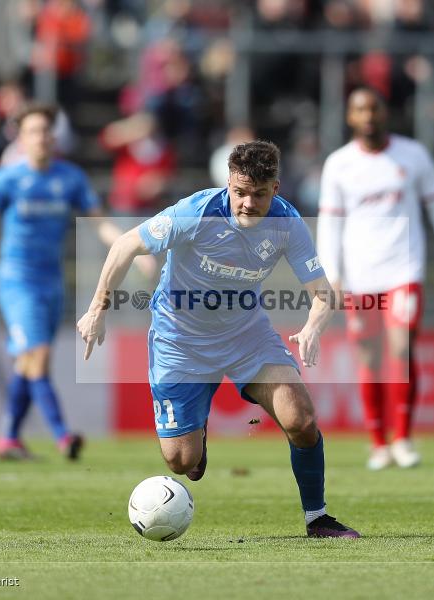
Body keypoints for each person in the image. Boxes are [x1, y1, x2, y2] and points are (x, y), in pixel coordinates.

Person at [76, 141, 360, 538]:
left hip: (247, 336)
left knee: (302, 420)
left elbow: (322, 292)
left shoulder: (287, 222)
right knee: (180, 462)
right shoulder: (196, 213)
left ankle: (318, 518)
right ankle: (198, 432)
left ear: (275, 189)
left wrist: (313, 327)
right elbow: (125, 245)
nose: (247, 203)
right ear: (228, 183)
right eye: (239, 192)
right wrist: (97, 309)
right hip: (180, 341)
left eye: (258, 194)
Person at [0, 102, 144, 461]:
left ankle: (8, 439)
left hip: (52, 285)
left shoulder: (70, 178)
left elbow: (99, 223)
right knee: (38, 357)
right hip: (17, 282)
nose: (42, 137)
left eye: (47, 131)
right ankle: (64, 437)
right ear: (21, 139)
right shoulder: (7, 179)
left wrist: (134, 248)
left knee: (27, 363)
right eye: (34, 131)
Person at [317, 87, 434, 471]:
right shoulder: (339, 164)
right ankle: (377, 443)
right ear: (350, 117)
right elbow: (329, 225)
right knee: (369, 355)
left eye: (373, 107)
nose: (368, 115)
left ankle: (402, 437)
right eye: (359, 109)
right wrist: (332, 275)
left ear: (384, 112)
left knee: (402, 348)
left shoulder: (412, 155)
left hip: (404, 269)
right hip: (359, 275)